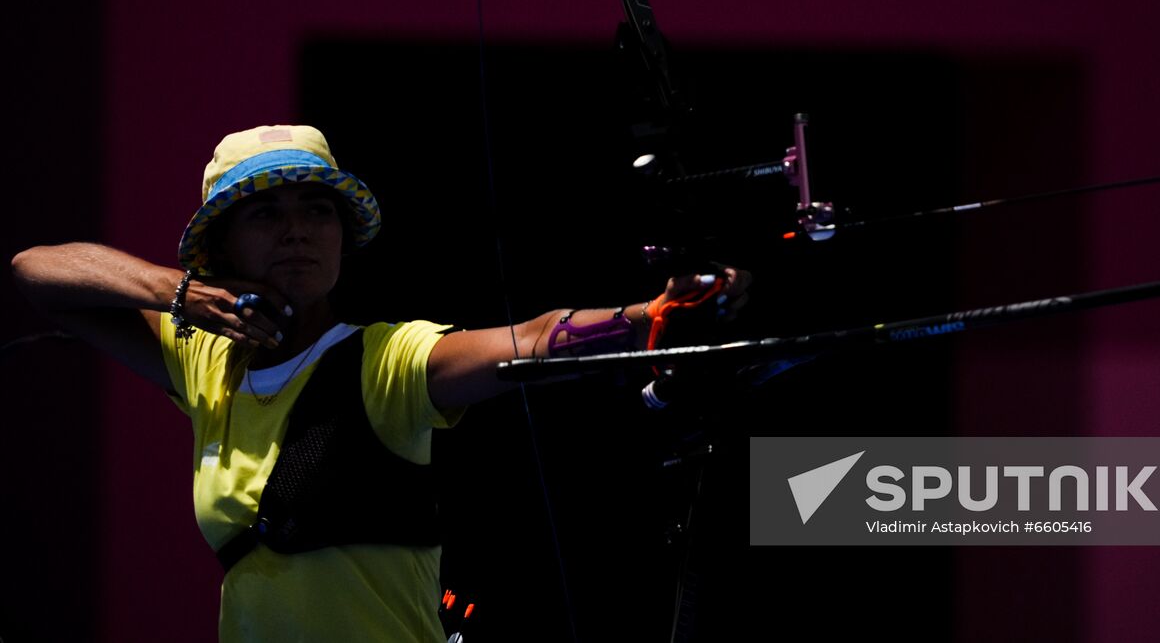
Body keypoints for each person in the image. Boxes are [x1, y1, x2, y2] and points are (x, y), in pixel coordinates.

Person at [11, 124, 748, 642]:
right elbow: (36, 271)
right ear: (223, 244)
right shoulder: (203, 360)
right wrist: (176, 291)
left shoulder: (384, 363)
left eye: (316, 208)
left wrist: (645, 315)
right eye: (265, 210)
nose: (297, 228)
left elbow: (527, 339)